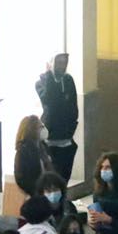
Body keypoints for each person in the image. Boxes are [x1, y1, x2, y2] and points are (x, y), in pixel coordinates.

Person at [35, 53, 80, 181]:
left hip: (66, 138)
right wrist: (49, 75)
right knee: (51, 178)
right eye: (58, 62)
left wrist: (71, 129)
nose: (62, 66)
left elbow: (73, 107)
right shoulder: (40, 83)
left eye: (64, 63)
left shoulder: (68, 80)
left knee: (64, 176)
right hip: (50, 138)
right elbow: (49, 101)